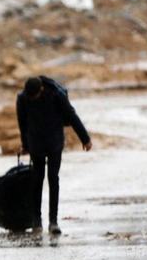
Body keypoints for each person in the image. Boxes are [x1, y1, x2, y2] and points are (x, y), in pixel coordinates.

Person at [16, 76, 91, 235]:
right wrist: (25, 145)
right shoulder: (23, 99)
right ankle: (37, 221)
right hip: (36, 143)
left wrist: (85, 139)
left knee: (53, 178)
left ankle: (53, 222)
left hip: (54, 142)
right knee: (37, 180)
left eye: (34, 96)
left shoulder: (56, 95)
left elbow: (71, 115)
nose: (32, 99)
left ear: (41, 90)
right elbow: (22, 123)